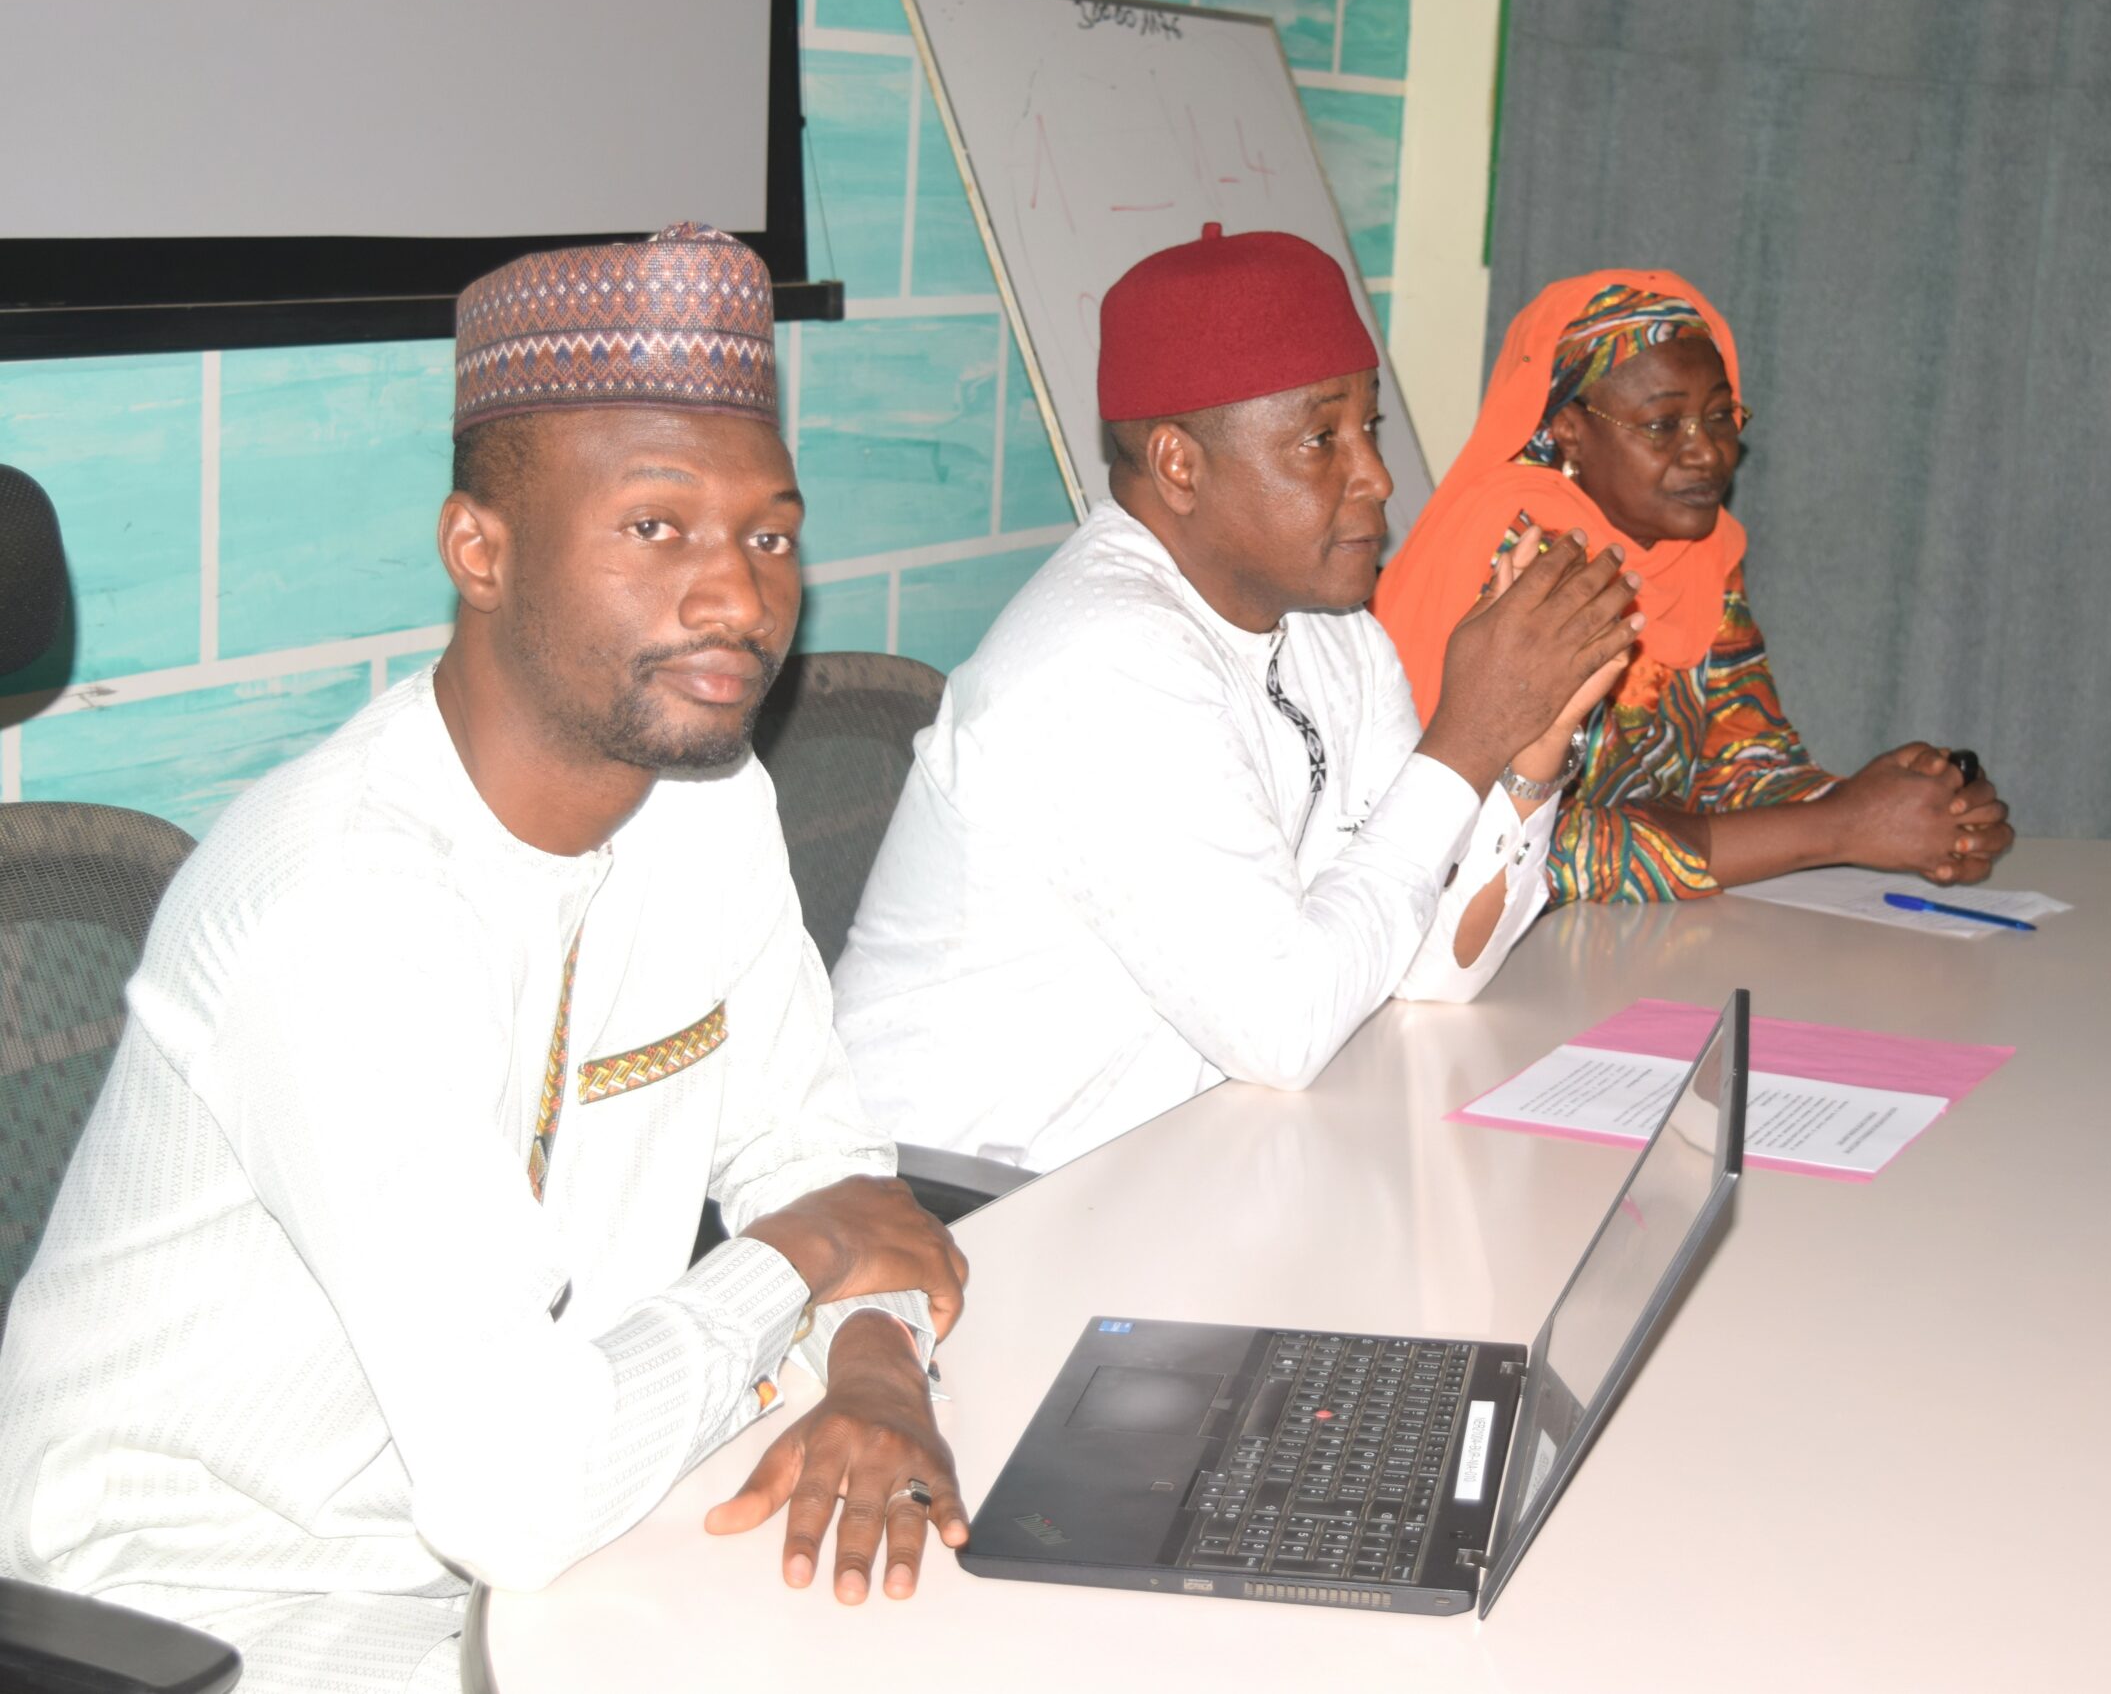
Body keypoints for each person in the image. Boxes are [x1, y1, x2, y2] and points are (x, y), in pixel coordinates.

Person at [0, 226, 969, 1693]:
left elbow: (824, 1159)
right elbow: (527, 1481)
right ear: (481, 550)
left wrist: (879, 1372)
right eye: (656, 527)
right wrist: (798, 1259)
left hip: (562, 1534)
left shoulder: (706, 795)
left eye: (769, 535)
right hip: (216, 1617)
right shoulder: (339, 902)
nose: (736, 596)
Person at [834, 225, 1638, 1173]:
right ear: (1180, 465)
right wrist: (1468, 737)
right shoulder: (1102, 656)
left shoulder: (1336, 636)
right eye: (1321, 440)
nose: (1376, 476)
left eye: (1370, 428)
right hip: (949, 1202)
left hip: (1162, 1168)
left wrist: (1533, 746)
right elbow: (1285, 1025)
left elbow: (1426, 969)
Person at [1373, 272, 2014, 902]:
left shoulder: (1699, 551)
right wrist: (1839, 828)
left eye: (1719, 417)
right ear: (1569, 429)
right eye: (1662, 425)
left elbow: (1737, 766)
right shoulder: (1519, 561)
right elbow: (1498, 844)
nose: (1707, 452)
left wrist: (1907, 809)